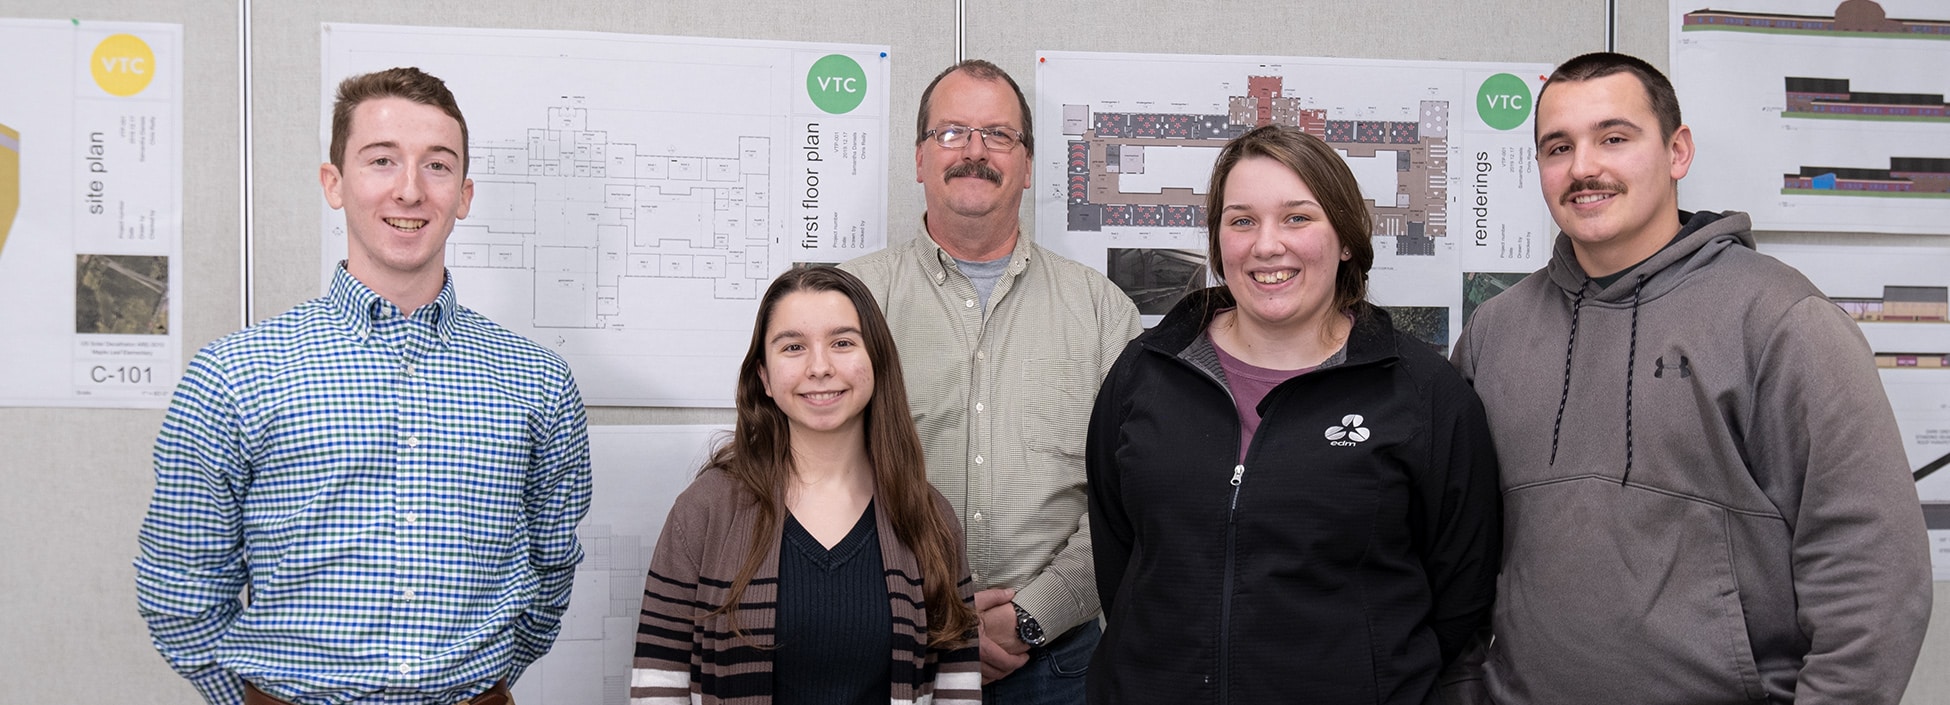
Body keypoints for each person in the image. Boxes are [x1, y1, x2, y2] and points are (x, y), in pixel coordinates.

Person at [1451, 52, 1932, 704]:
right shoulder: (1495, 332)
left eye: (1614, 138)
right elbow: (1458, 555)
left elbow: (1874, 569)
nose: (1584, 167)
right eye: (1558, 147)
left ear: (1678, 152)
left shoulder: (1780, 319)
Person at [133, 67, 591, 705]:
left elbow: (550, 566)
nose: (410, 191)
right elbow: (179, 590)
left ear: (463, 193)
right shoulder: (234, 375)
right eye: (381, 160)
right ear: (334, 183)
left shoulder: (537, 380)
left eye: (437, 166)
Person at [1085, 125, 1501, 704]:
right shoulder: (1146, 371)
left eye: (1297, 218)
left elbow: (1462, 592)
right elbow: (1121, 556)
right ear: (1218, 241)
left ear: (1347, 239)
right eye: (1242, 220)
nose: (1266, 245)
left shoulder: (1422, 393)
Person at [841, 59, 1141, 702]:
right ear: (919, 158)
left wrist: (1031, 616)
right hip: (885, 647)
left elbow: (1131, 494)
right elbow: (811, 473)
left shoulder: (1102, 310)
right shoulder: (850, 299)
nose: (974, 152)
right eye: (952, 133)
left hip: (1057, 662)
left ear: (1028, 166)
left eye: (998, 135)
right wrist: (920, 617)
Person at [630, 265, 980, 704]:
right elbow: (658, 686)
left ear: (877, 361)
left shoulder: (929, 517)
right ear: (764, 377)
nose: (819, 367)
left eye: (842, 343)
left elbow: (958, 688)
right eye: (793, 346)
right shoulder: (705, 510)